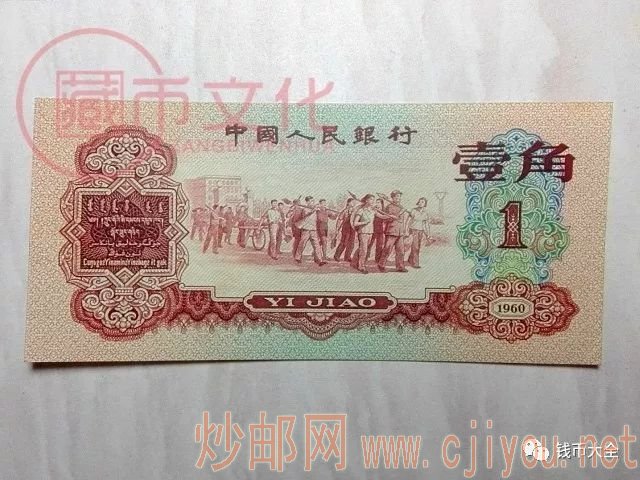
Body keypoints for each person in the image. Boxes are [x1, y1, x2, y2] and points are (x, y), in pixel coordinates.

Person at [350, 194, 396, 273]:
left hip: (370, 232)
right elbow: (355, 223)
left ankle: (354, 263)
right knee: (364, 250)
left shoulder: (373, 211)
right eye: (371, 199)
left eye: (373, 200)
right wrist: (364, 222)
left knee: (363, 248)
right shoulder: (361, 210)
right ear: (366, 200)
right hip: (363, 232)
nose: (373, 201)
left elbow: (382, 216)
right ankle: (361, 266)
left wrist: (390, 216)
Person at [377, 190, 409, 272]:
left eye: (399, 196)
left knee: (401, 251)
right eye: (396, 196)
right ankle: (381, 264)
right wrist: (400, 213)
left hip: (400, 232)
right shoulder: (389, 207)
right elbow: (388, 218)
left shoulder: (401, 206)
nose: (398, 198)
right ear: (393, 197)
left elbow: (402, 220)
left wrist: (404, 230)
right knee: (387, 249)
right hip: (391, 231)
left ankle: (400, 266)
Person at [294, 196, 326, 265]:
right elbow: (306, 214)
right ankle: (298, 257)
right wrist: (313, 210)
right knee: (302, 244)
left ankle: (320, 260)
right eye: (311, 201)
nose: (313, 202)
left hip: (313, 229)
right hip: (306, 229)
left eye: (313, 201)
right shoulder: (305, 209)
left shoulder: (315, 209)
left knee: (317, 245)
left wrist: (321, 208)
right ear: (307, 202)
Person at [406, 197, 430, 268]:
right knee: (415, 246)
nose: (420, 203)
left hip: (421, 231)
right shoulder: (413, 210)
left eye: (422, 202)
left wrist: (428, 234)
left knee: (417, 246)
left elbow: (426, 224)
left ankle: (410, 259)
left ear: (425, 204)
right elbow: (408, 220)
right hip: (413, 229)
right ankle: (415, 263)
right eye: (419, 201)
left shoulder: (425, 213)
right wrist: (406, 230)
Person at [366, 198, 385, 263]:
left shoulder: (384, 211)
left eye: (378, 202)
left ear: (382, 204)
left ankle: (377, 259)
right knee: (369, 244)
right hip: (373, 229)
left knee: (379, 245)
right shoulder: (373, 209)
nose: (377, 204)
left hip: (380, 230)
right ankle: (365, 258)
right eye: (376, 202)